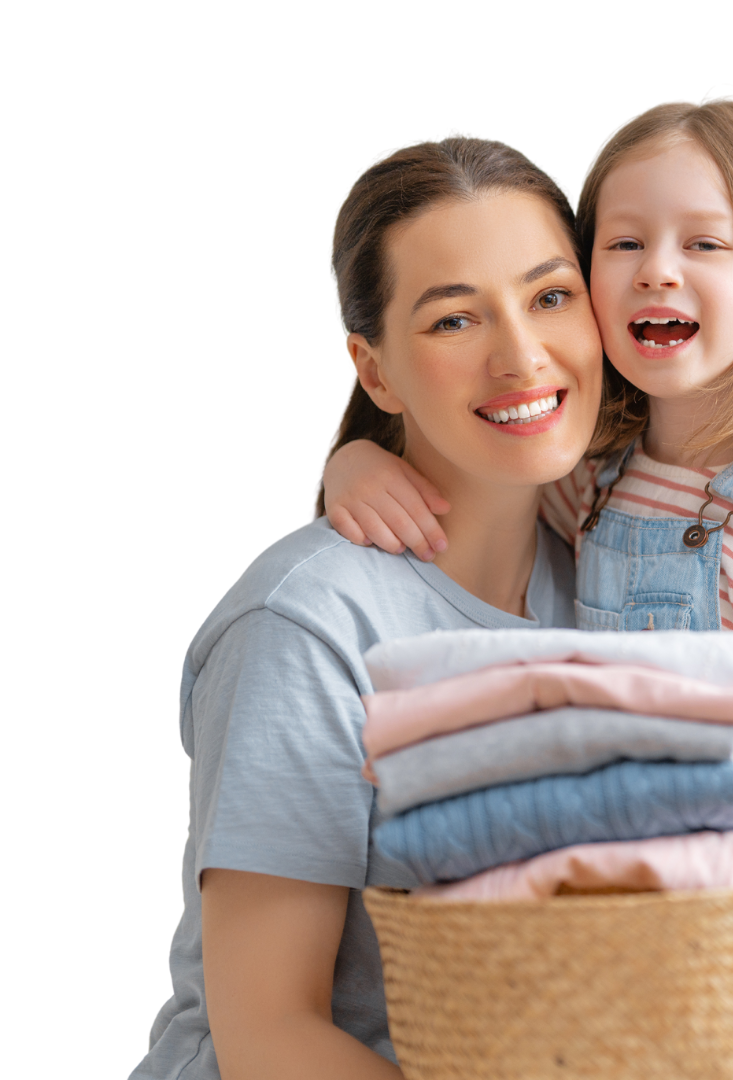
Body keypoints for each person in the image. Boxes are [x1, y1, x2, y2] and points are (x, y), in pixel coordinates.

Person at [319, 94, 733, 1049]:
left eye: (705, 244)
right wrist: (359, 459)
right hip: (596, 927)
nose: (658, 270)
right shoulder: (595, 485)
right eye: (623, 244)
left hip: (723, 928)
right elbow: (480, 485)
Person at [134, 134, 605, 1080]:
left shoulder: (616, 578)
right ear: (374, 369)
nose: (521, 355)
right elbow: (271, 1035)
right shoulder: (307, 624)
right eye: (453, 322)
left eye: (551, 297)